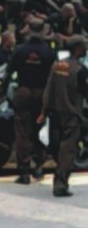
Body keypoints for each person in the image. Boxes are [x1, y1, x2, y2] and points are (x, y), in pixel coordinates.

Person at [4, 18, 56, 184]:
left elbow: (8, 73)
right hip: (42, 94)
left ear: (29, 29)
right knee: (40, 129)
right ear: (43, 30)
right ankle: (39, 165)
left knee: (22, 131)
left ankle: (24, 171)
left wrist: (2, 94)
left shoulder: (20, 50)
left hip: (24, 91)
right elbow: (53, 77)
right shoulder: (49, 52)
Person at [40, 36, 88, 197]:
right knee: (68, 150)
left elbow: (48, 89)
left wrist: (43, 112)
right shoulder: (79, 70)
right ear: (78, 48)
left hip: (55, 113)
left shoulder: (56, 65)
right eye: (84, 46)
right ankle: (60, 184)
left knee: (58, 147)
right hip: (72, 114)